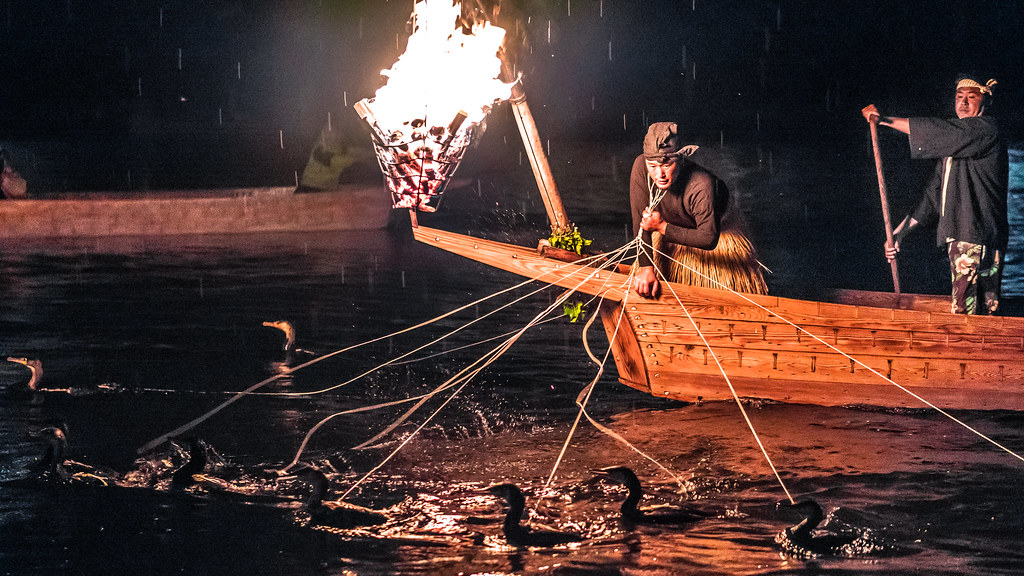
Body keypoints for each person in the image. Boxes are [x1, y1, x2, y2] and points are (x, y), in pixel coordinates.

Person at [862, 75, 1008, 315]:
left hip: (975, 235)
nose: (963, 103)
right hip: (970, 236)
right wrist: (899, 233)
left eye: (971, 98)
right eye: (959, 97)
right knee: (977, 312)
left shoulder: (985, 129)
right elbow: (933, 196)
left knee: (969, 314)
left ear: (986, 102)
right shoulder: (955, 145)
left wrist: (885, 121)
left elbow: (941, 131)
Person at [630, 121, 766, 298]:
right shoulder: (641, 166)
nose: (659, 175)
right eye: (653, 166)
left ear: (681, 159)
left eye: (666, 165)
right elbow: (640, 221)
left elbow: (708, 238)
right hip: (670, 231)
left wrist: (662, 227)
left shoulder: (701, 185)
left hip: (710, 238)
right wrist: (646, 268)